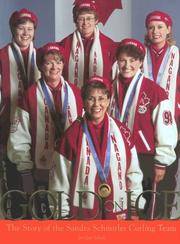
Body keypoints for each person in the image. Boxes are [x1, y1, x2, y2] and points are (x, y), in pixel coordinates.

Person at [49, 76, 145, 220]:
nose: (96, 104)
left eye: (101, 98)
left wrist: (135, 208)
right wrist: (61, 216)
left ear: (108, 101)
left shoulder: (123, 132)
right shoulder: (70, 136)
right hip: (83, 213)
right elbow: (60, 181)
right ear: (83, 101)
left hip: (117, 211)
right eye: (91, 98)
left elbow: (133, 173)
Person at [7, 43, 83, 219]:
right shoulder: (30, 95)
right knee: (43, 216)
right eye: (48, 63)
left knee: (68, 216)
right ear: (41, 66)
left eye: (58, 62)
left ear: (64, 65)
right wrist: (25, 170)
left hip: (70, 169)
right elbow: (20, 135)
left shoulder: (77, 93)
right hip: (41, 169)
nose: (54, 67)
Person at [109, 38, 177, 219]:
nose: (127, 65)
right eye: (123, 60)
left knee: (146, 209)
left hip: (144, 157)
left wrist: (161, 161)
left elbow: (166, 129)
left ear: (140, 62)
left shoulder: (154, 91)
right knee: (122, 208)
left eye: (132, 60)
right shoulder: (109, 88)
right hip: (117, 156)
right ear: (117, 61)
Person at [0, 8, 40, 219]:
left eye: (30, 29)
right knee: (15, 189)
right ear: (12, 29)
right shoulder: (1, 57)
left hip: (39, 132)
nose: (25, 33)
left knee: (39, 190)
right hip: (8, 131)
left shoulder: (43, 57)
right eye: (20, 28)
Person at [143, 11, 180, 218]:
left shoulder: (177, 55)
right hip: (145, 123)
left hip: (173, 122)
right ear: (147, 31)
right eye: (151, 27)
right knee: (147, 174)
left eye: (160, 27)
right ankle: (144, 220)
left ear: (168, 30)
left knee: (168, 174)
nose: (155, 31)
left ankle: (163, 221)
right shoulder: (140, 55)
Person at [58, 0, 117, 88]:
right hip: (72, 98)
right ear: (75, 21)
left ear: (96, 20)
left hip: (100, 99)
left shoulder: (110, 45)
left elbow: (115, 78)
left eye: (89, 18)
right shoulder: (64, 45)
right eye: (81, 19)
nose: (85, 23)